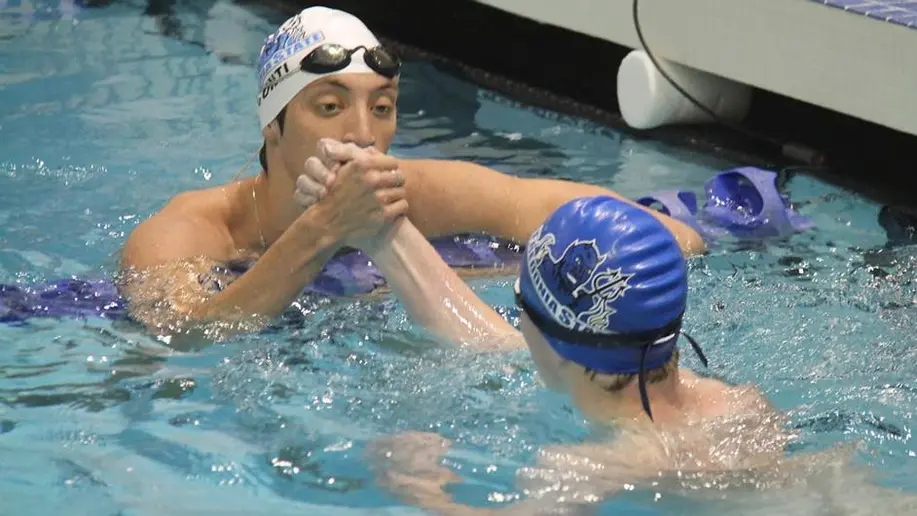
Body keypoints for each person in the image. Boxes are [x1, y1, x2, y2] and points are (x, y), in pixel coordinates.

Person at [117, 6, 704, 337]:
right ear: (273, 123)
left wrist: (496, 272)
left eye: (381, 107)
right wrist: (323, 231)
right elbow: (181, 338)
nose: (363, 135)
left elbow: (674, 240)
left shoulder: (418, 192)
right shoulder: (189, 233)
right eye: (329, 106)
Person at [353, 185, 917, 514]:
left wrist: (422, 486)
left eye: (519, 312)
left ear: (547, 339)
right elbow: (504, 342)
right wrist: (384, 235)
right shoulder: (738, 403)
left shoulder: (585, 465)